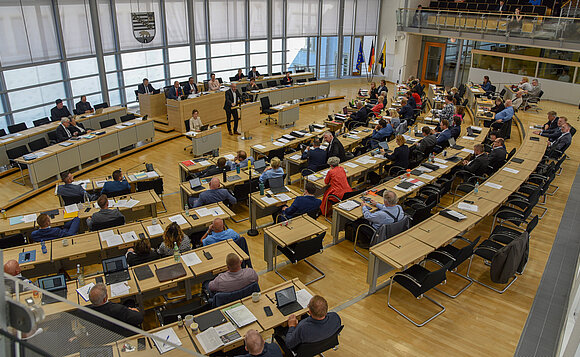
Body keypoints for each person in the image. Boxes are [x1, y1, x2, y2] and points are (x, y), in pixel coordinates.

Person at [276, 295, 341, 352]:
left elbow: (289, 344)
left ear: (309, 311)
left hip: (302, 350)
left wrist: (292, 326)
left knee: (278, 328)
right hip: (323, 345)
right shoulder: (335, 317)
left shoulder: (303, 327)